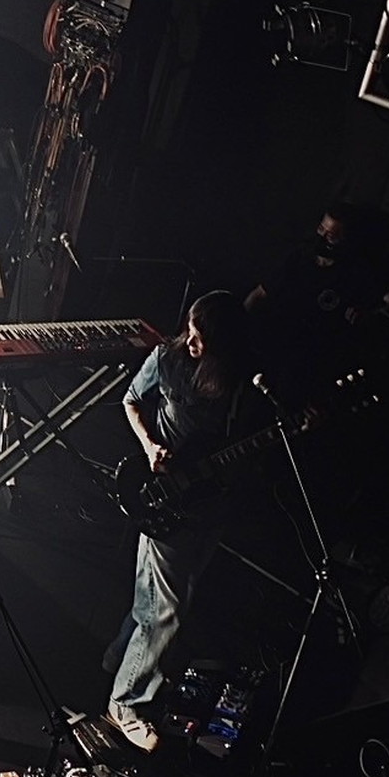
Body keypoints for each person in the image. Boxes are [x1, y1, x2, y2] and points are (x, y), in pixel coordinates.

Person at [103, 291, 264, 753]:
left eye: (201, 339)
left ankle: (120, 658)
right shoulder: (167, 358)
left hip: (210, 506)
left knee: (165, 597)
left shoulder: (241, 382)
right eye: (190, 333)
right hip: (166, 499)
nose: (190, 344)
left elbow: (247, 447)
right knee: (167, 611)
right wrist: (150, 446)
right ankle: (125, 702)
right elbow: (132, 400)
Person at [244, 204, 389, 399]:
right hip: (279, 347)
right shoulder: (299, 259)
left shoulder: (357, 272)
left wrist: (372, 314)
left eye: (331, 235)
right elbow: (259, 294)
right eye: (321, 229)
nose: (322, 237)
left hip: (320, 360)